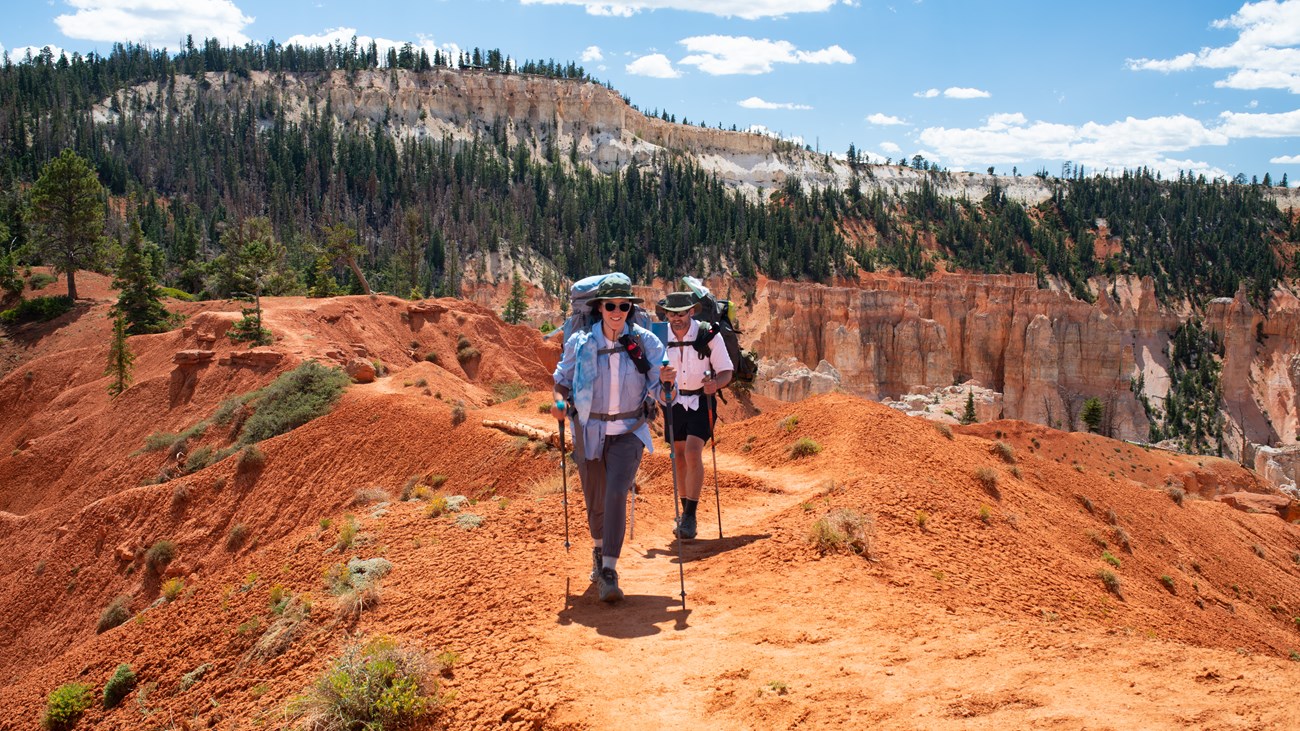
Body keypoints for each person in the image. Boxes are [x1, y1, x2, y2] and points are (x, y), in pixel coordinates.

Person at [551, 275, 665, 603]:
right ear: (600, 308)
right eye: (611, 305)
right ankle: (599, 551)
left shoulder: (646, 344)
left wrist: (668, 386)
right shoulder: (581, 343)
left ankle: (610, 570)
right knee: (595, 501)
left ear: (630, 308)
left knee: (616, 492)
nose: (617, 311)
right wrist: (559, 403)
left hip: (629, 432)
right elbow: (561, 381)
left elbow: (660, 390)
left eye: (623, 306)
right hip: (588, 431)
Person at [657, 291, 733, 540]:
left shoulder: (708, 335)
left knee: (691, 452)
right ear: (666, 314)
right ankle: (684, 512)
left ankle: (690, 515)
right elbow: (649, 370)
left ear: (691, 311)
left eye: (681, 313)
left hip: (702, 399)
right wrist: (660, 379)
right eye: (672, 314)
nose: (676, 319)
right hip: (673, 400)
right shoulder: (660, 337)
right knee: (678, 456)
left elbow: (725, 371)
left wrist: (716, 385)